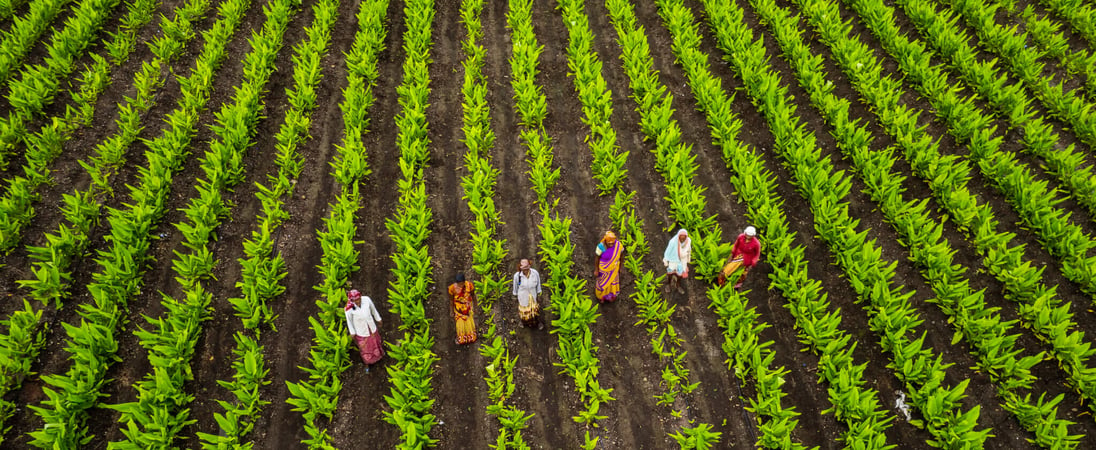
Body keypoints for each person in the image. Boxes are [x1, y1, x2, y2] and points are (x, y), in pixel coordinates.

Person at [345, 289, 383, 371]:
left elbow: (374, 310)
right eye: (356, 300)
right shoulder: (349, 310)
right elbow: (349, 322)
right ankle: (368, 363)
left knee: (375, 342)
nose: (358, 301)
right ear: (352, 300)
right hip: (361, 331)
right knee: (365, 348)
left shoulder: (367, 300)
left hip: (371, 327)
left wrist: (378, 319)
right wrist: (352, 333)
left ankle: (378, 356)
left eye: (359, 299)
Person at [512, 259, 544, 329]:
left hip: (532, 295)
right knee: (524, 312)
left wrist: (539, 292)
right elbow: (515, 287)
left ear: (529, 266)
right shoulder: (517, 276)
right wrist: (515, 295)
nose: (525, 270)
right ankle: (523, 322)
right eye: (524, 269)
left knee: (535, 311)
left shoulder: (535, 273)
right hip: (523, 297)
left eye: (527, 268)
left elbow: (538, 284)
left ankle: (537, 323)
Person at [448, 273, 477, 344]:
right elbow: (451, 301)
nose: (460, 286)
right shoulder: (452, 289)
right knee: (460, 325)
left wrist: (475, 306)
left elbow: (473, 296)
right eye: (459, 284)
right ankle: (461, 338)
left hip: (467, 308)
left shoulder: (469, 286)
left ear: (464, 282)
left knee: (469, 324)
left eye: (462, 284)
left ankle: (470, 337)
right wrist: (451, 311)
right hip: (459, 310)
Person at [595, 231, 623, 303]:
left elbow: (621, 256)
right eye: (609, 243)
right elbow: (597, 258)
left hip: (613, 268)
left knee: (612, 282)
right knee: (602, 282)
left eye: (612, 243)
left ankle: (611, 296)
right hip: (604, 268)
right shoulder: (601, 246)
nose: (611, 244)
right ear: (605, 241)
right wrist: (596, 269)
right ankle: (602, 296)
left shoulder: (618, 245)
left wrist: (620, 267)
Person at [662, 229, 691, 294]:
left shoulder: (688, 241)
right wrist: (665, 260)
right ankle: (668, 284)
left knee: (680, 274)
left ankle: (678, 285)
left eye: (683, 239)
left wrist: (688, 258)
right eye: (681, 239)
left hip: (682, 261)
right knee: (670, 272)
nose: (682, 240)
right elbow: (668, 251)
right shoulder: (673, 242)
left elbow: (689, 250)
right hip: (673, 260)